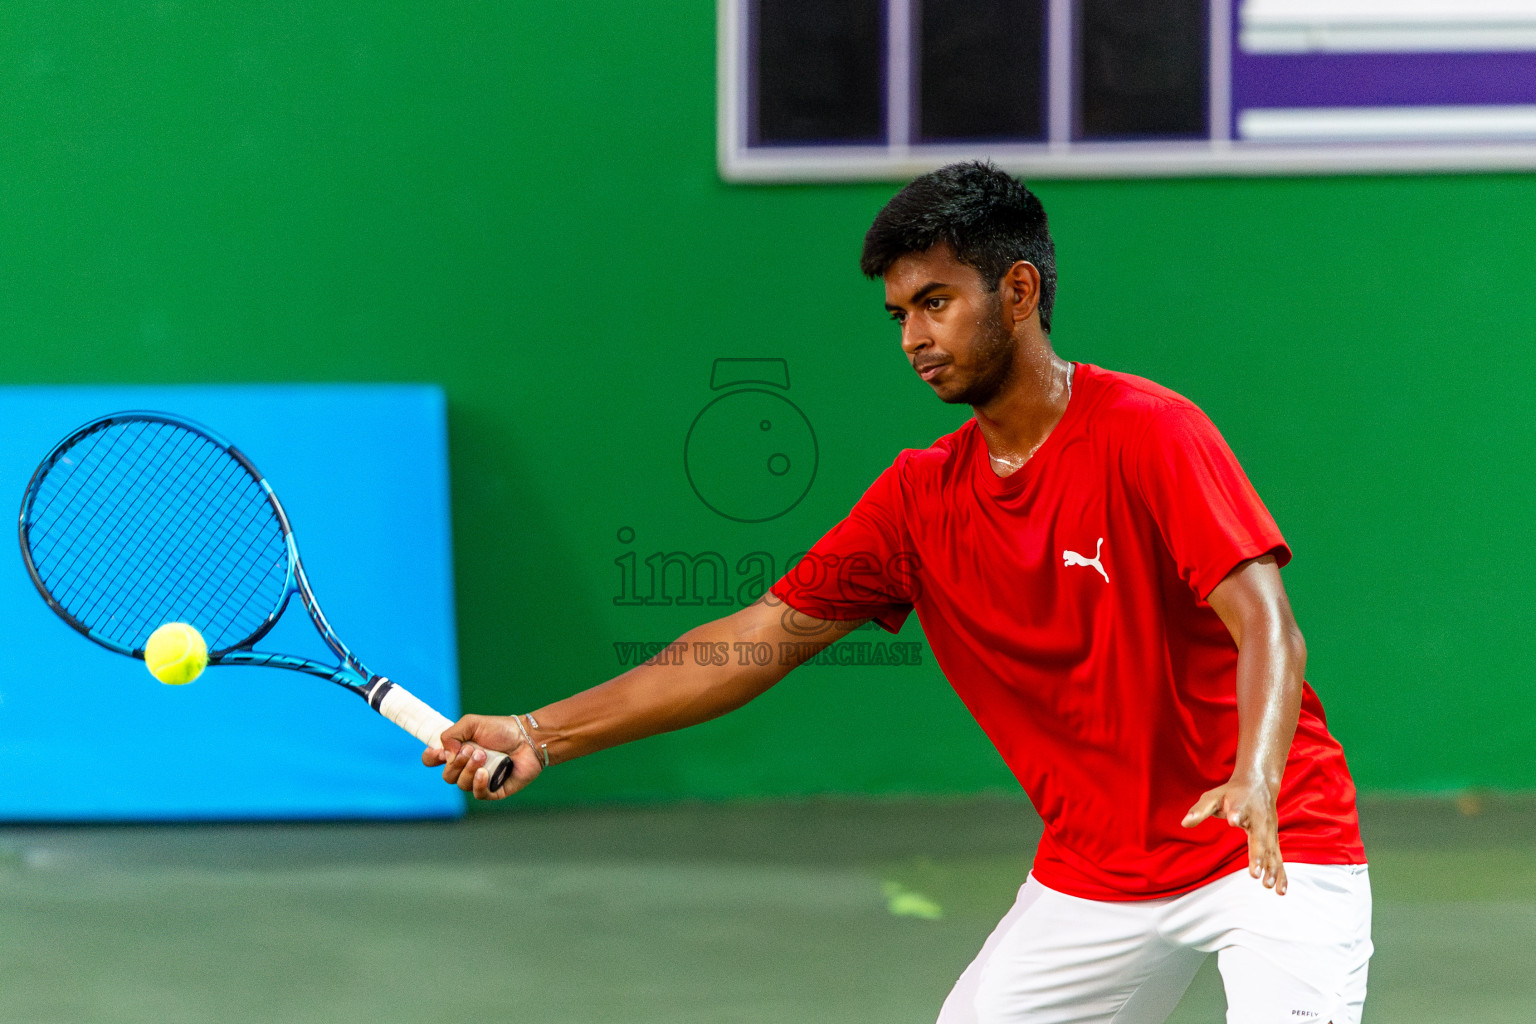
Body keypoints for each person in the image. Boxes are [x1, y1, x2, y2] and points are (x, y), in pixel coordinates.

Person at [424, 161, 1372, 1024]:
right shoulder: (920, 500)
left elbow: (1269, 629)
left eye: (936, 303)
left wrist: (1253, 776)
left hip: (1268, 847)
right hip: (1099, 872)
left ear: (1020, 290)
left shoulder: (1149, 433)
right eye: (900, 316)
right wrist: (540, 729)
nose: (915, 337)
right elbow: (758, 636)